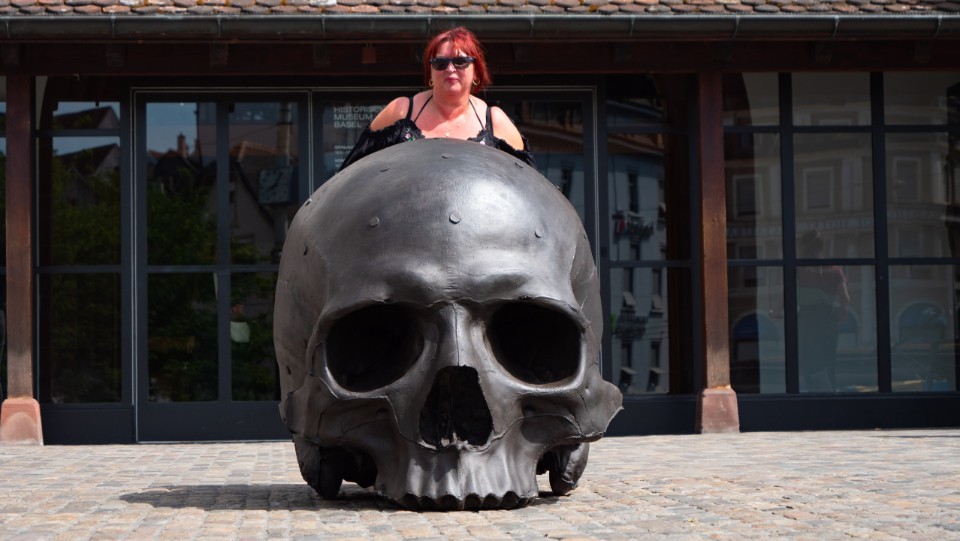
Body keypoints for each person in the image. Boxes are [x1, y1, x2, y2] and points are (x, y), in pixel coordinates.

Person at [338, 27, 536, 171]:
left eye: (460, 61)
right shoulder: (400, 112)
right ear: (430, 73)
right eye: (440, 63)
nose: (450, 69)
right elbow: (351, 173)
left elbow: (531, 187)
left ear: (476, 71)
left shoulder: (494, 121)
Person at [796, 229, 850, 392]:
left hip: (807, 318)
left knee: (808, 358)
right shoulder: (834, 268)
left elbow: (787, 294)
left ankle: (815, 395)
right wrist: (842, 314)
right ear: (821, 247)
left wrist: (775, 312)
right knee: (828, 359)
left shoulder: (799, 267)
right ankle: (829, 394)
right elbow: (845, 298)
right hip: (828, 317)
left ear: (803, 246)